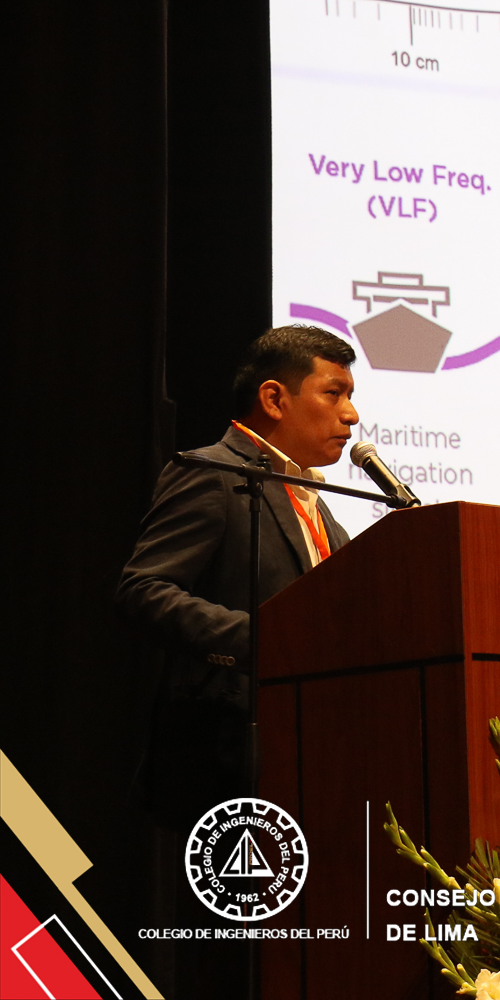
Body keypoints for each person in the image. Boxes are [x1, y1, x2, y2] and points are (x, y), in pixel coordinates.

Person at [118, 324, 360, 824]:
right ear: (273, 399)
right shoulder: (213, 473)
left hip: (318, 754)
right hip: (227, 760)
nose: (351, 415)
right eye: (334, 393)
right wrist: (265, 642)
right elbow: (143, 590)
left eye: (350, 398)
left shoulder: (314, 501)